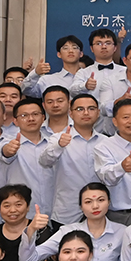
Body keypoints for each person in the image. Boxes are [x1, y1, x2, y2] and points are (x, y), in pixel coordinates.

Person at [42, 93, 108, 225]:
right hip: (67, 210)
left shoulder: (106, 142)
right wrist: (59, 146)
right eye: (80, 109)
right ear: (71, 113)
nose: (86, 113)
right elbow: (44, 161)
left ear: (98, 113)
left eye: (91, 109)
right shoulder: (58, 138)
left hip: (100, 209)